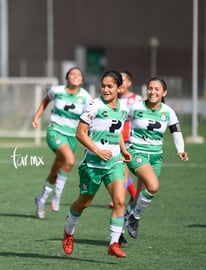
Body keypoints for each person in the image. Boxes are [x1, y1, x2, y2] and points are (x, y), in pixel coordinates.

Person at [62, 70, 132, 258]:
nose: (106, 89)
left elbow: (116, 131)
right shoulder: (94, 106)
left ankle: (114, 243)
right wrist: (98, 151)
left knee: (119, 200)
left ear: (119, 88)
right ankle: (68, 232)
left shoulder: (124, 108)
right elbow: (80, 133)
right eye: (104, 86)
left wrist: (123, 150)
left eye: (110, 86)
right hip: (93, 164)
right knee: (84, 202)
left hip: (115, 162)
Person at [125, 77, 189, 239]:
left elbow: (176, 132)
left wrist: (180, 150)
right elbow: (117, 121)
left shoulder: (168, 111)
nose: (152, 92)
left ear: (164, 92)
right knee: (153, 186)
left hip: (155, 157)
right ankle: (135, 218)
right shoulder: (135, 107)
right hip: (135, 152)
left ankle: (126, 217)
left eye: (157, 89)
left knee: (140, 193)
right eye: (150, 88)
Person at [33, 67, 92, 219]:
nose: (75, 76)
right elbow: (45, 101)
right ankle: (57, 197)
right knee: (70, 160)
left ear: (82, 80)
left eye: (78, 74)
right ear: (67, 78)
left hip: (72, 137)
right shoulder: (56, 90)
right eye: (72, 74)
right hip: (55, 132)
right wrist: (36, 117)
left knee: (55, 172)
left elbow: (90, 117)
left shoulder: (86, 97)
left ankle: (41, 199)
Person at [108, 71, 142, 210]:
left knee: (122, 171)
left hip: (129, 141)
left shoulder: (136, 99)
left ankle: (121, 198)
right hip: (112, 140)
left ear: (129, 83)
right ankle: (133, 196)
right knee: (120, 171)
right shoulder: (111, 99)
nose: (121, 83)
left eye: (124, 80)